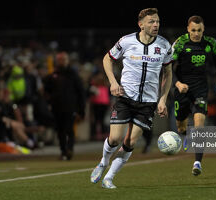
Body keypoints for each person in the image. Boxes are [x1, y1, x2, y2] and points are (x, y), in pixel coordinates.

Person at [90, 8, 173, 189]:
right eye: (151, 21)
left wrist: (162, 99)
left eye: (157, 21)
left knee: (130, 142)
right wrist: (112, 82)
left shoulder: (164, 45)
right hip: (125, 97)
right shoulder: (126, 41)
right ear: (141, 24)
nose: (156, 25)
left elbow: (168, 72)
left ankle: (109, 178)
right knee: (114, 139)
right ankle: (103, 162)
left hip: (148, 103)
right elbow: (107, 59)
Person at [172, 16, 216, 176]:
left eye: (199, 30)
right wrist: (178, 84)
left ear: (204, 30)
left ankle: (197, 163)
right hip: (182, 88)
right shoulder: (179, 44)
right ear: (188, 29)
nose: (196, 34)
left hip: (201, 88)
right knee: (181, 127)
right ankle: (186, 133)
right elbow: (167, 69)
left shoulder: (210, 43)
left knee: (199, 125)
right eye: (193, 30)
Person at [43, 52, 86, 160]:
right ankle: (63, 151)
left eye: (63, 59)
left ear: (67, 60)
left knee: (69, 129)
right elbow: (46, 89)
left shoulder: (73, 75)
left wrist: (81, 110)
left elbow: (81, 92)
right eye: (59, 59)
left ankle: (69, 149)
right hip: (57, 107)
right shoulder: (53, 75)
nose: (61, 61)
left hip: (70, 107)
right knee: (60, 130)